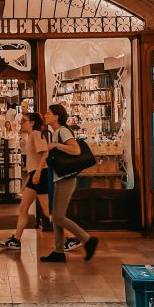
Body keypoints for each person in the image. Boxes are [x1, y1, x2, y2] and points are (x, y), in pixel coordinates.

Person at [40, 103, 98, 263]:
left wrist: (56, 145)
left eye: (48, 113)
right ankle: (58, 251)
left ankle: (87, 239)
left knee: (58, 216)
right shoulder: (55, 132)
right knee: (56, 216)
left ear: (56, 116)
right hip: (60, 178)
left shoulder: (63, 131)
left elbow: (76, 150)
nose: (45, 115)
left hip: (66, 179)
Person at [0, 113, 51, 251]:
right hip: (35, 176)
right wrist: (29, 178)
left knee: (47, 211)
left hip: (40, 175)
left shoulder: (35, 134)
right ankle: (16, 239)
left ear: (32, 123)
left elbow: (45, 153)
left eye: (23, 121)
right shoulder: (31, 136)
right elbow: (34, 162)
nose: (21, 123)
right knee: (24, 208)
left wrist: (37, 172)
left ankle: (72, 236)